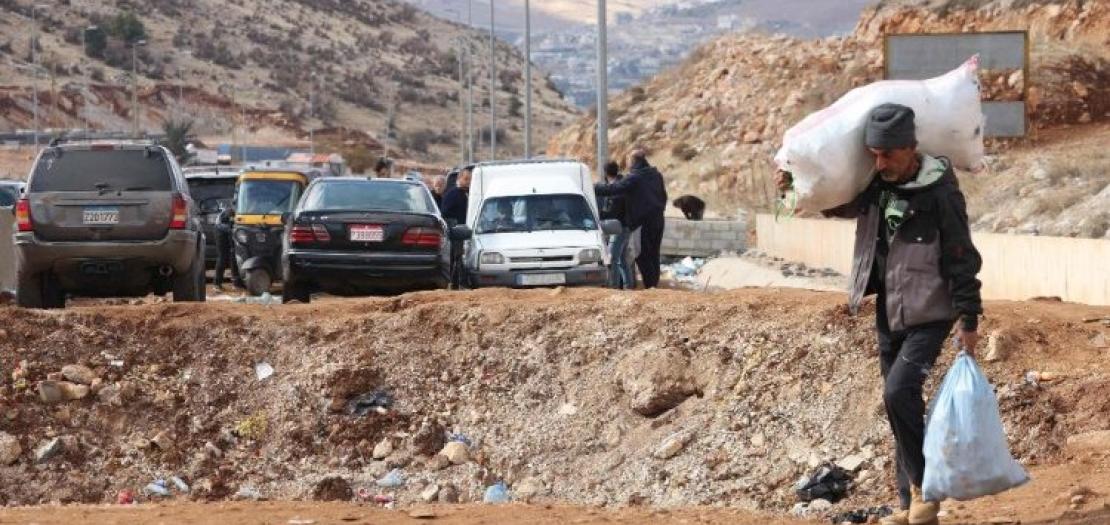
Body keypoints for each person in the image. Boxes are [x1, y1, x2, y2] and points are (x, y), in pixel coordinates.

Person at [776, 103, 982, 525]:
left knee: (897, 391)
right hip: (889, 309)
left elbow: (961, 253)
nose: (880, 161)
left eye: (888, 154)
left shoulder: (940, 191)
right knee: (898, 403)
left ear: (910, 148)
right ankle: (908, 505)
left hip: (931, 310)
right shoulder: (878, 186)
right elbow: (836, 203)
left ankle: (926, 492)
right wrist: (794, 187)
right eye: (874, 154)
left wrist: (969, 315)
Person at [595, 148, 668, 289]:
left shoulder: (635, 177)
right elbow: (664, 196)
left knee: (642, 255)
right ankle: (654, 286)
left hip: (643, 222)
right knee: (654, 253)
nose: (627, 163)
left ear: (634, 161)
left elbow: (614, 189)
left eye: (629, 160)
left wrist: (593, 188)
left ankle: (650, 286)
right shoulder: (656, 174)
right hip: (659, 219)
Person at [598, 161, 634, 289]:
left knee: (612, 258)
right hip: (626, 226)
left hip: (619, 227)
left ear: (605, 173)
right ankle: (628, 286)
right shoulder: (622, 184)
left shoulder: (615, 188)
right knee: (622, 259)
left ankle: (614, 287)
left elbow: (614, 211)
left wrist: (599, 215)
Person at [441, 166, 472, 288]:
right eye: (466, 179)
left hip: (468, 231)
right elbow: (445, 213)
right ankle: (456, 283)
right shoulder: (452, 194)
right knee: (457, 258)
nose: (468, 182)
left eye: (470, 179)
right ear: (459, 178)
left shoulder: (469, 194)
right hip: (458, 232)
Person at [213, 206, 241, 290]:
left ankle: (236, 283)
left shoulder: (242, 209)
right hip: (221, 232)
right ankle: (217, 283)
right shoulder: (229, 213)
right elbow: (227, 227)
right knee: (222, 258)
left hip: (229, 231)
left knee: (233, 257)